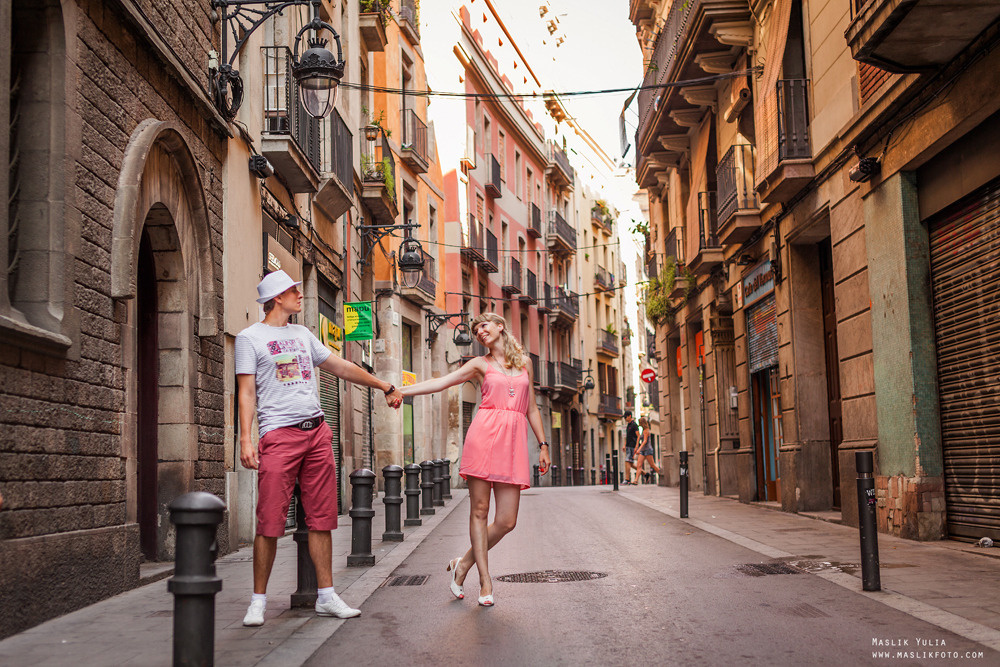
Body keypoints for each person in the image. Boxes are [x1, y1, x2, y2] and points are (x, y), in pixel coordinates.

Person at [236, 270, 403, 627]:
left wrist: (383, 385)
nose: (300, 294)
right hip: (278, 436)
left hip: (316, 433)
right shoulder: (249, 338)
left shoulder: (302, 334)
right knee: (269, 521)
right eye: (293, 290)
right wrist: (245, 439)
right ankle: (258, 601)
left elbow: (340, 367)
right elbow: (246, 392)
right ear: (277, 297)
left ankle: (326, 597)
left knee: (321, 519)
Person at [399, 313, 550, 607]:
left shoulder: (525, 363)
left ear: (500, 326)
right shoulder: (480, 365)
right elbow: (442, 382)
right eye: (475, 330)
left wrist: (543, 444)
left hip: (512, 445)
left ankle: (463, 563)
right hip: (483, 439)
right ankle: (485, 580)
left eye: (483, 326)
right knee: (479, 511)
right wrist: (401, 390)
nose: (479, 332)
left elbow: (531, 407)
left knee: (507, 520)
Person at [633, 416, 661, 484]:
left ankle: (662, 475)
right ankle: (636, 480)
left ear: (642, 423)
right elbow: (639, 439)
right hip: (643, 451)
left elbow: (645, 441)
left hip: (648, 450)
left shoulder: (646, 431)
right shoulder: (643, 430)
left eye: (639, 423)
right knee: (639, 465)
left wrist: (639, 449)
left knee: (652, 465)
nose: (639, 424)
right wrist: (637, 447)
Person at [623, 410, 639, 484]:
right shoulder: (628, 425)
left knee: (627, 461)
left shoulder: (634, 425)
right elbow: (627, 437)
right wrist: (624, 445)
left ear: (629, 416)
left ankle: (627, 479)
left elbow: (638, 436)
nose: (625, 419)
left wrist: (636, 446)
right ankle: (645, 474)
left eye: (625, 417)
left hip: (632, 446)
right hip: (628, 446)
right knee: (631, 464)